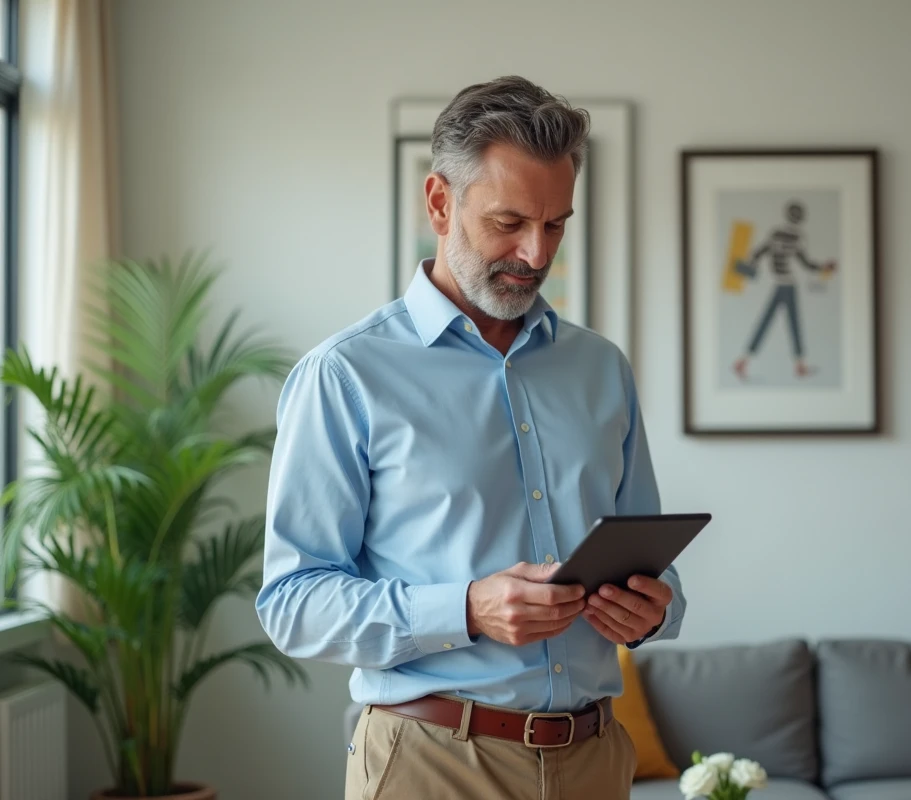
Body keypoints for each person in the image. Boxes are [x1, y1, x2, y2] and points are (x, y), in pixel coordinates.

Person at [255, 75, 685, 800]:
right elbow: (293, 603)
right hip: (431, 763)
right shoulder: (346, 374)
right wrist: (465, 608)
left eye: (555, 225)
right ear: (438, 203)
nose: (535, 253)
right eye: (509, 222)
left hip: (595, 761)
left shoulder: (601, 368)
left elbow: (658, 568)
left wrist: (652, 611)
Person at [732, 200, 835, 380]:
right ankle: (798, 366)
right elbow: (806, 264)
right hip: (787, 284)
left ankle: (744, 361)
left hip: (780, 283)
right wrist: (824, 268)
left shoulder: (775, 233)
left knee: (768, 322)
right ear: (800, 218)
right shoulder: (798, 238)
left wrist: (748, 266)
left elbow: (759, 252)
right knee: (792, 324)